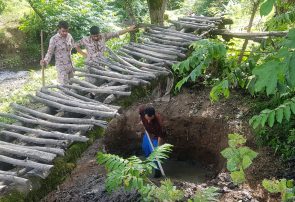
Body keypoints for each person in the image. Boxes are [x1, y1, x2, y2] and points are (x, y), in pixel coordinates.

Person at [40, 21, 75, 85]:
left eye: (67, 31)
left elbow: (72, 45)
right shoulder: (53, 39)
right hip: (61, 67)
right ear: (58, 29)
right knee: (65, 86)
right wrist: (45, 61)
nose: (65, 33)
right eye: (63, 31)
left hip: (70, 65)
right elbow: (49, 53)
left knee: (72, 84)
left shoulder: (69, 36)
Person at [139, 106, 165, 177]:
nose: (148, 120)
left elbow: (160, 136)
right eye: (147, 118)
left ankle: (157, 171)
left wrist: (157, 148)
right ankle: (149, 163)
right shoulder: (142, 111)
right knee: (145, 147)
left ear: (153, 116)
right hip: (148, 134)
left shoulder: (158, 123)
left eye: (150, 119)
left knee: (155, 154)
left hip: (155, 137)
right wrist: (142, 121)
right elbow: (140, 112)